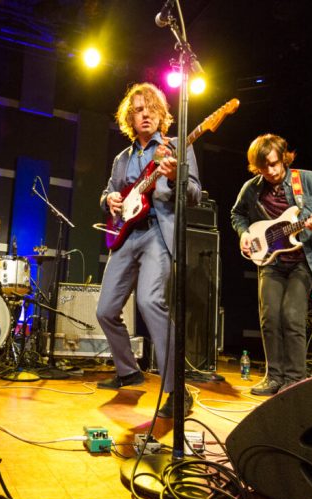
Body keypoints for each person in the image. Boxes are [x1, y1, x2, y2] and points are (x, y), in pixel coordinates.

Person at [95, 82, 202, 418]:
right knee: (105, 310)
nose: (145, 115)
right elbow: (110, 194)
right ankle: (128, 370)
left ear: (161, 115)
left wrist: (176, 178)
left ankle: (177, 389)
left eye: (151, 109)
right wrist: (108, 200)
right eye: (139, 110)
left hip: (157, 231)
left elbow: (195, 194)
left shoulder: (175, 147)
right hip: (126, 236)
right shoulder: (122, 158)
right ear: (130, 117)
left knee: (149, 301)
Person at [231, 134, 312, 395]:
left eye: (275, 164)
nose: (272, 171)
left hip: (303, 260)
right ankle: (274, 377)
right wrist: (244, 234)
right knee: (269, 318)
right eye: (264, 167)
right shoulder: (252, 188)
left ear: (285, 157)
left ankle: (295, 380)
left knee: (291, 316)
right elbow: (237, 214)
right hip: (271, 261)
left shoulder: (308, 180)